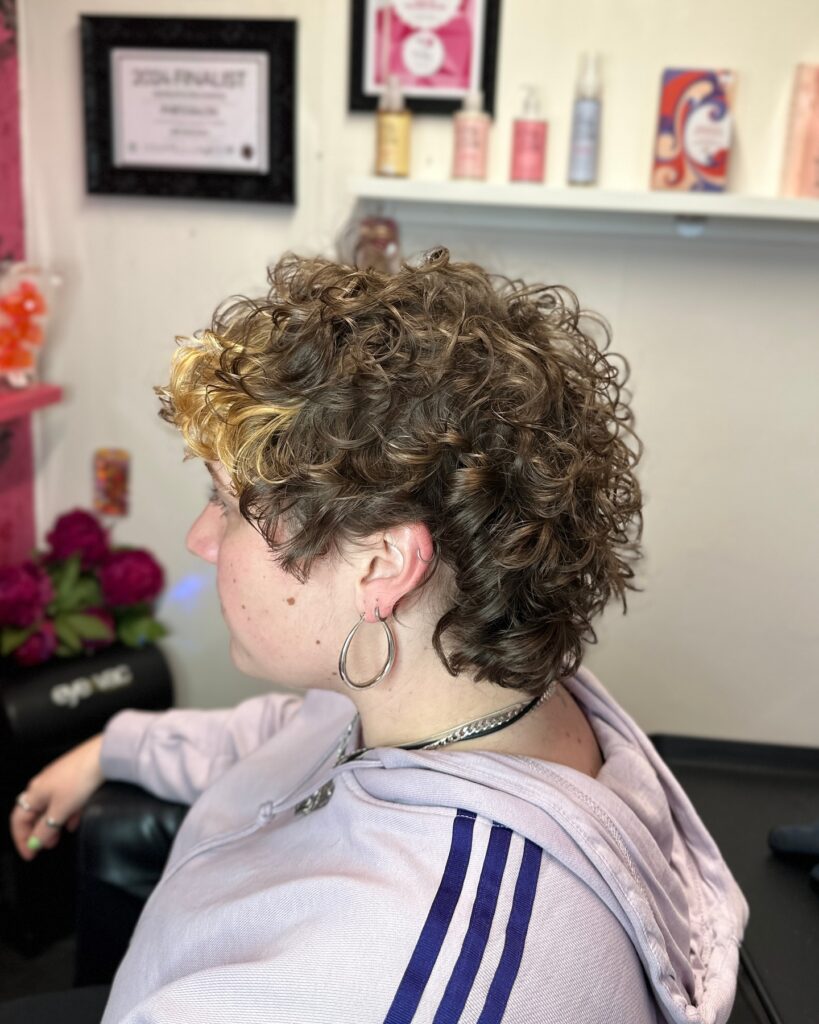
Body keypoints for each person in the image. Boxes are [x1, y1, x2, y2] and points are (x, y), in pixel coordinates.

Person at [7, 248, 748, 1024]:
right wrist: (113, 748)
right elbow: (287, 738)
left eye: (227, 505)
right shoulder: (453, 687)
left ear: (382, 565)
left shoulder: (402, 979)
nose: (200, 537)